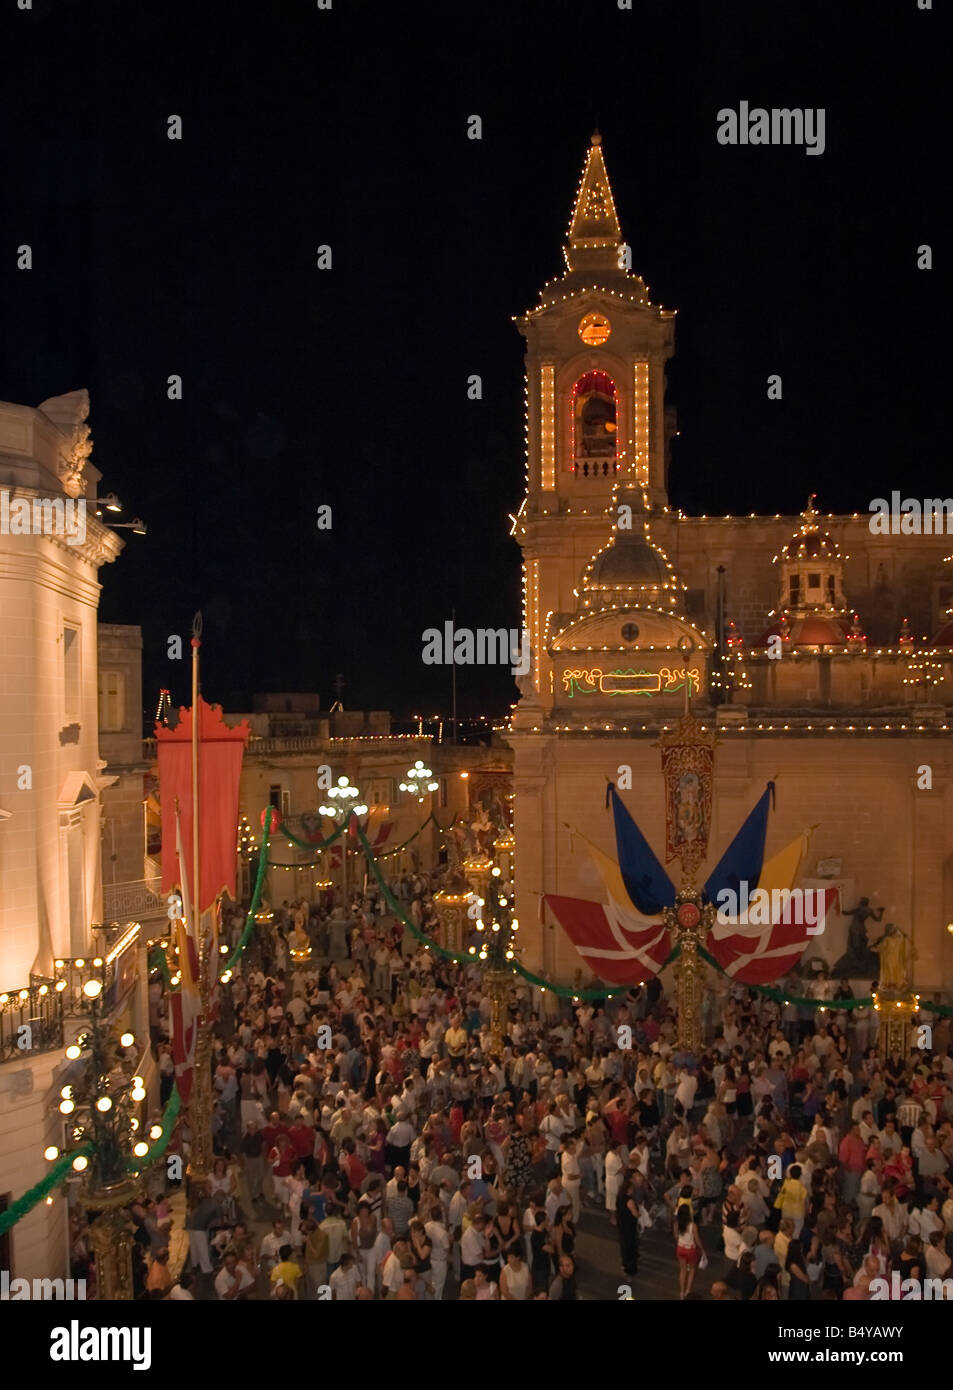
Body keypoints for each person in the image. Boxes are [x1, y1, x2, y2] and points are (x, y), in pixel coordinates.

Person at [674, 1203, 704, 1301]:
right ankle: (688, 1291)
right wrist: (702, 1249)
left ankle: (681, 1292)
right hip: (690, 1249)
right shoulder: (692, 1225)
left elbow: (676, 1237)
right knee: (692, 1270)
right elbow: (697, 1239)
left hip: (680, 1248)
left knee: (682, 1270)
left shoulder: (676, 1223)